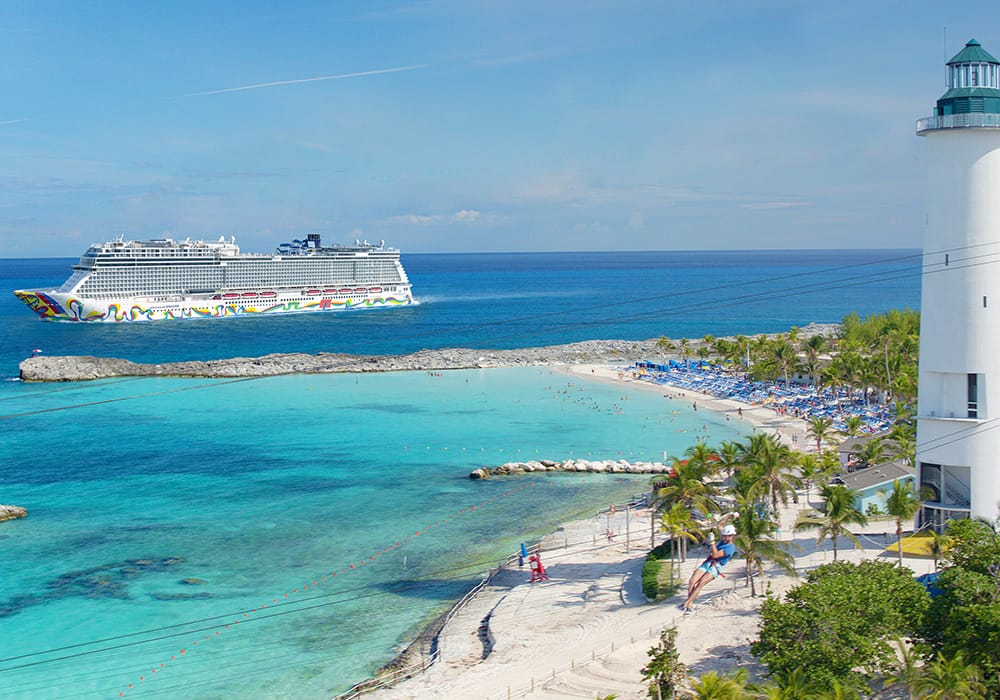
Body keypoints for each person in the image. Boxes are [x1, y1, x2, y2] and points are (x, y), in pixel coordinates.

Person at [680, 524, 737, 613]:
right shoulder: (723, 540)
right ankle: (689, 604)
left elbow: (716, 555)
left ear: (732, 536)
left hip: (716, 566)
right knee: (692, 581)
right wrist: (730, 514)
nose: (725, 538)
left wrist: (713, 542)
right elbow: (719, 525)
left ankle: (687, 604)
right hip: (708, 562)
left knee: (700, 583)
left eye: (728, 536)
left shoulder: (730, 548)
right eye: (724, 536)